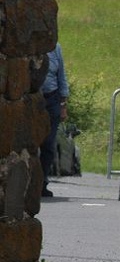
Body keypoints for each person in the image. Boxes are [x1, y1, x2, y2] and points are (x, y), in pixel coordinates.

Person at [39, 42, 70, 198]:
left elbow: (61, 76)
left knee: (49, 145)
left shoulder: (55, 48)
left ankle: (42, 183)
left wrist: (63, 104)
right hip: (34, 99)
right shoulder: (32, 46)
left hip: (52, 98)